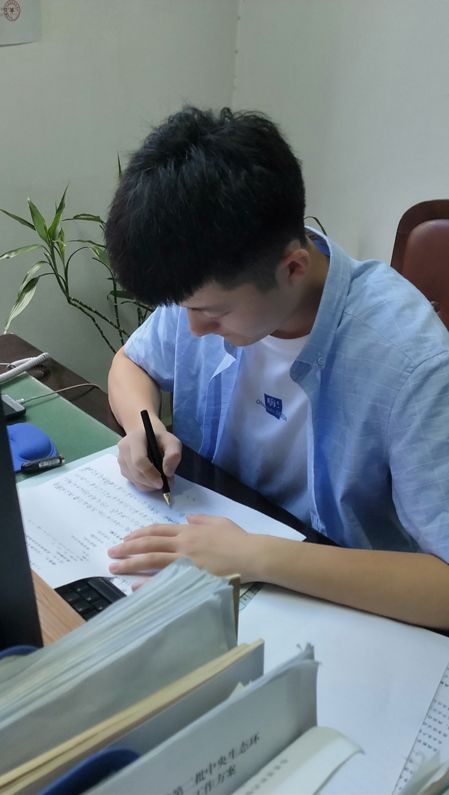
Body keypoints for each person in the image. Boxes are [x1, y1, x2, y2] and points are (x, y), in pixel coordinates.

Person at [105, 106, 449, 629]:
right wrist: (143, 425)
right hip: (228, 542)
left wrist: (254, 556)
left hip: (346, 605)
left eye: (212, 312)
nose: (193, 329)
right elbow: (130, 363)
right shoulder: (212, 279)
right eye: (185, 309)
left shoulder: (413, 363)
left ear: (293, 267)